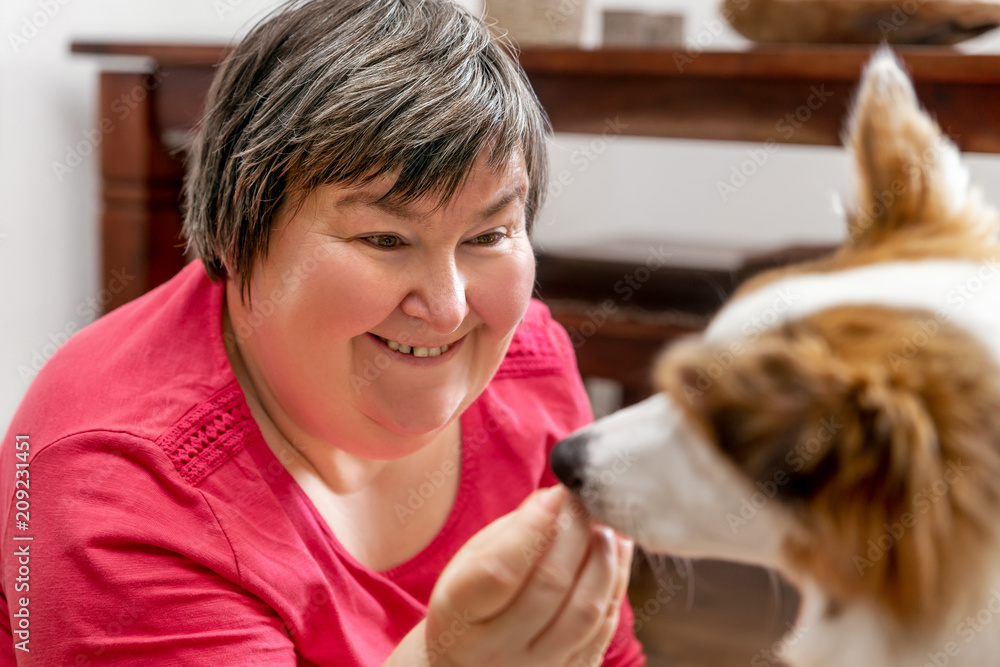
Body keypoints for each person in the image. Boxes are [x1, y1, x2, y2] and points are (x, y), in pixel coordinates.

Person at [0, 0, 645, 664]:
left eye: (488, 235)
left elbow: (609, 651)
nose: (449, 309)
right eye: (385, 238)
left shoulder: (528, 366)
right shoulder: (119, 490)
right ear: (236, 234)